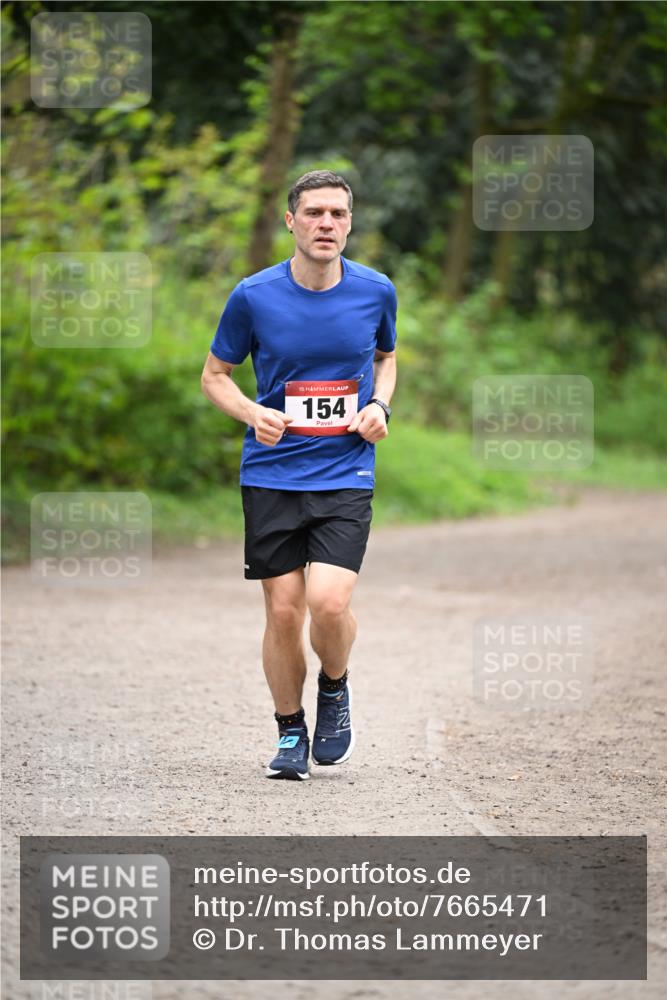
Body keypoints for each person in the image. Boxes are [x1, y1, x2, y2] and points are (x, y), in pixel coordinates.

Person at [201, 169, 397, 781]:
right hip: (272, 474)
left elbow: (387, 359)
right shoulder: (254, 295)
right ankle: (290, 733)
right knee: (284, 612)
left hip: (344, 471)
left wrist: (378, 407)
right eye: (314, 213)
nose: (326, 224)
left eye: (337, 214)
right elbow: (215, 376)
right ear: (291, 222)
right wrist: (253, 411)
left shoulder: (375, 291)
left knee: (328, 603)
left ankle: (334, 687)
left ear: (349, 222)